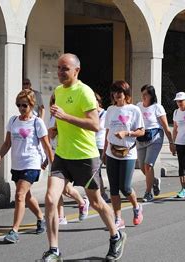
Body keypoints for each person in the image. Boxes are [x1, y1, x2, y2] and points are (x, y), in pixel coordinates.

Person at [42, 53, 126, 262]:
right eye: (59, 68)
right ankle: (54, 251)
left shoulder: (85, 92)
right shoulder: (59, 91)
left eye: (65, 69)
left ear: (76, 70)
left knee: (96, 202)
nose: (60, 72)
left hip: (85, 157)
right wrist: (55, 128)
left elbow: (95, 125)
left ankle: (116, 235)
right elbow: (64, 122)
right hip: (63, 154)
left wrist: (65, 117)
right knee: (51, 199)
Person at [0, 89, 54, 243]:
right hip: (17, 164)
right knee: (26, 196)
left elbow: (46, 145)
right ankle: (41, 217)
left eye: (24, 105)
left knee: (19, 195)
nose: (21, 108)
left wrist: (53, 164)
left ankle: (14, 231)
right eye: (19, 105)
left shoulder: (37, 122)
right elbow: (7, 143)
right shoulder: (13, 121)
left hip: (32, 163)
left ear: (31, 105)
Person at [103, 80, 145, 230]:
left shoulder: (134, 110)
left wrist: (127, 133)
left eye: (119, 92)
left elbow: (141, 131)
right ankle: (118, 219)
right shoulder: (110, 110)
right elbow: (107, 131)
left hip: (128, 153)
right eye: (114, 92)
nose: (116, 95)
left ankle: (136, 207)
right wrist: (104, 151)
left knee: (125, 187)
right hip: (112, 152)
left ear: (126, 94)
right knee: (113, 188)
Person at [47, 93, 90, 225]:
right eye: (53, 102)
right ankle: (61, 216)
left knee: (66, 189)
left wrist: (56, 131)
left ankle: (82, 202)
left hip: (65, 154)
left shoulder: (65, 116)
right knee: (55, 189)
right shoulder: (51, 118)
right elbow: (49, 138)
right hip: (54, 154)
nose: (54, 105)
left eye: (57, 102)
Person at [136, 84, 175, 202]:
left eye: (146, 95)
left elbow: (165, 127)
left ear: (151, 95)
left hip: (155, 138)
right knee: (142, 167)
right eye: (142, 94)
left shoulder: (157, 107)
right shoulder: (138, 106)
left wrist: (171, 143)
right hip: (141, 137)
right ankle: (154, 181)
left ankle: (148, 193)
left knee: (148, 165)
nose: (143, 97)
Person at [94, 92, 109, 202]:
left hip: (102, 145)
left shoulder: (105, 114)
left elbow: (98, 127)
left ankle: (105, 193)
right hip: (91, 145)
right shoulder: (90, 114)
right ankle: (102, 194)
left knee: (99, 170)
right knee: (96, 171)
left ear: (98, 102)